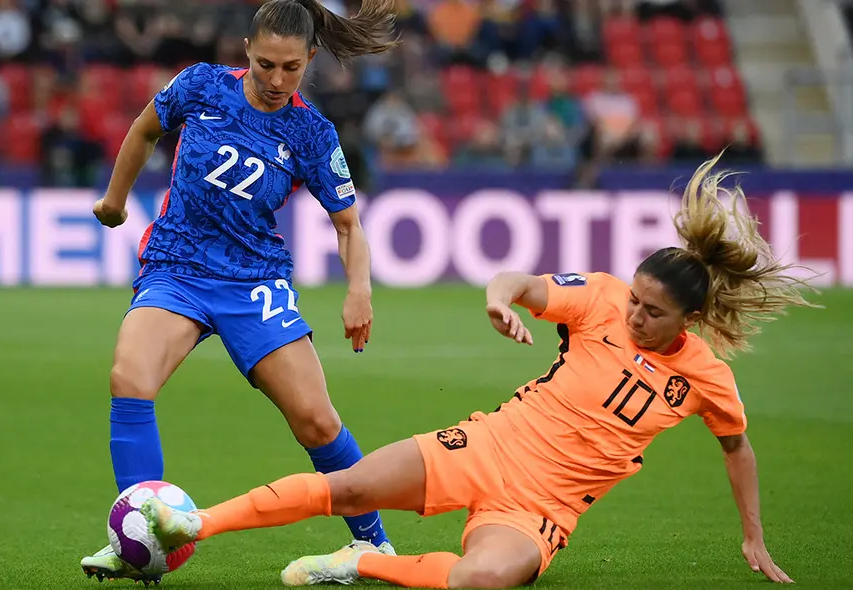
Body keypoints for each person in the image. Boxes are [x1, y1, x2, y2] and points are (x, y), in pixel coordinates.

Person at [138, 154, 813, 587]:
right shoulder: (603, 297)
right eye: (635, 299)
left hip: (543, 509)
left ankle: (361, 563)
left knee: (475, 583)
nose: (634, 314)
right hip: (489, 446)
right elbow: (519, 280)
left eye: (653, 311)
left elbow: (737, 447)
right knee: (347, 489)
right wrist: (498, 298)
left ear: (688, 320)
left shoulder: (705, 377)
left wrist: (753, 535)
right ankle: (192, 524)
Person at [81, 0, 400, 582]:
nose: (276, 80)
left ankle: (373, 544)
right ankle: (142, 539)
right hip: (176, 267)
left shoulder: (310, 132)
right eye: (264, 66)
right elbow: (145, 127)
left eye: (290, 68)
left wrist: (360, 291)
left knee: (317, 423)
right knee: (130, 379)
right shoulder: (200, 86)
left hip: (254, 282)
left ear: (309, 59)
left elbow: (348, 225)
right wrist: (115, 199)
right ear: (245, 53)